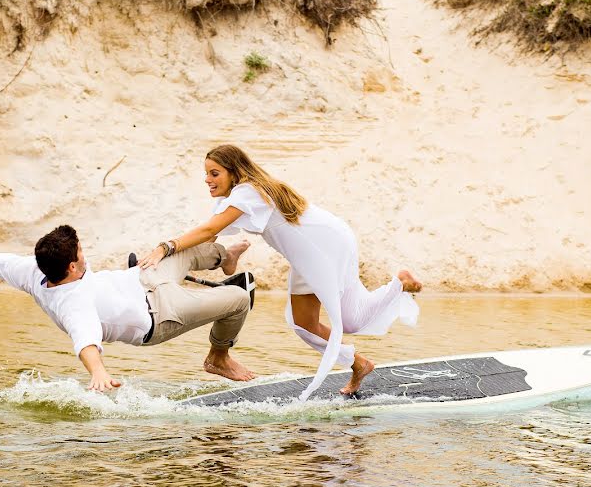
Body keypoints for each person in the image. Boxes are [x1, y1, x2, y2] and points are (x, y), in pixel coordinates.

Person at [138, 145, 422, 400]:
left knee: (349, 321)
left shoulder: (247, 192)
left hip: (324, 245)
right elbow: (208, 234)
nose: (208, 180)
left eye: (214, 173)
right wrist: (164, 260)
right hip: (310, 250)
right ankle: (359, 363)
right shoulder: (241, 195)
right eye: (206, 174)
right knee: (303, 323)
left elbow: (209, 231)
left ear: (234, 172)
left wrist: (165, 248)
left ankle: (399, 283)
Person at [0, 225, 255, 391]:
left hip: (139, 279)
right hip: (160, 316)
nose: (84, 251)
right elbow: (86, 342)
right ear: (70, 267)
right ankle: (219, 358)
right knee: (239, 300)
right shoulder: (73, 304)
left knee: (189, 248)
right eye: (80, 251)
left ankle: (227, 258)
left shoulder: (32, 268)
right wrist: (98, 373)